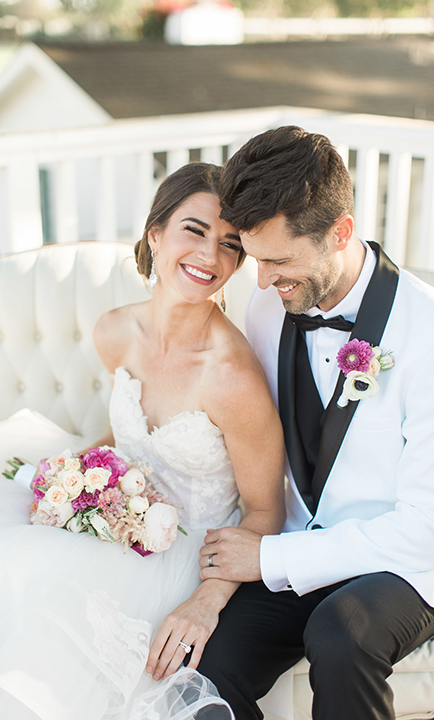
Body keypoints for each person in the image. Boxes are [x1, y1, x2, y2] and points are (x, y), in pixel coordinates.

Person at [0, 162, 285, 720]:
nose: (210, 256)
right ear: (155, 233)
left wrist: (205, 602)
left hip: (181, 551)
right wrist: (73, 480)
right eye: (194, 230)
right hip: (109, 520)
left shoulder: (231, 378)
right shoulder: (114, 331)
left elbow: (264, 514)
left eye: (230, 245)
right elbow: (132, 438)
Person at [195, 126, 434, 720]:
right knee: (201, 663)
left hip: (406, 563)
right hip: (303, 546)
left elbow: (423, 530)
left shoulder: (427, 331)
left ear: (341, 232)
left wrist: (270, 561)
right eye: (255, 258)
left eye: (278, 260)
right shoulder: (267, 306)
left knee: (340, 634)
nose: (261, 280)